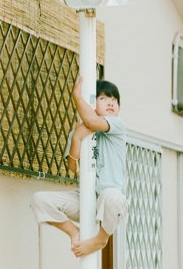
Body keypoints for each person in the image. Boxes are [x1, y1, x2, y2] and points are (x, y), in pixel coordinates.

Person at [29, 78, 127, 257]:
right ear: (93, 104)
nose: (111, 102)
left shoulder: (117, 126)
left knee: (112, 196)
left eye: (115, 100)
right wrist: (76, 138)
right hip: (85, 198)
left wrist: (76, 97)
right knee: (39, 199)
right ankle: (74, 232)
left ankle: (100, 239)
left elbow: (92, 121)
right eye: (104, 98)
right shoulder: (78, 131)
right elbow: (73, 166)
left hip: (109, 200)